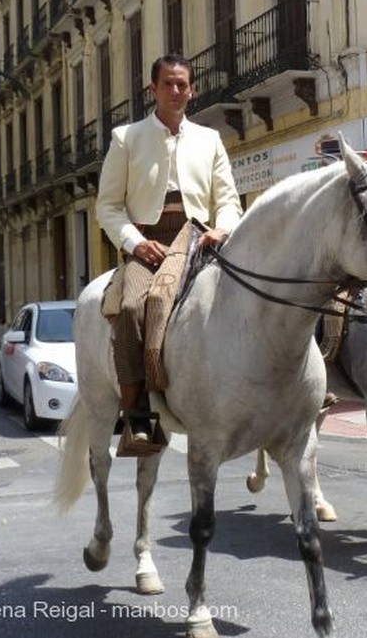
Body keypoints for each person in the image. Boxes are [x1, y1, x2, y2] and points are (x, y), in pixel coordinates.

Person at [96, 53, 242, 449]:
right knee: (129, 309)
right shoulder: (126, 139)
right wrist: (134, 243)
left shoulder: (210, 140)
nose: (176, 91)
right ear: (153, 90)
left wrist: (222, 229)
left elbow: (228, 199)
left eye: (183, 84)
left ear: (192, 90)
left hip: (198, 240)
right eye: (168, 84)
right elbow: (107, 206)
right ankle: (138, 416)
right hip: (150, 243)